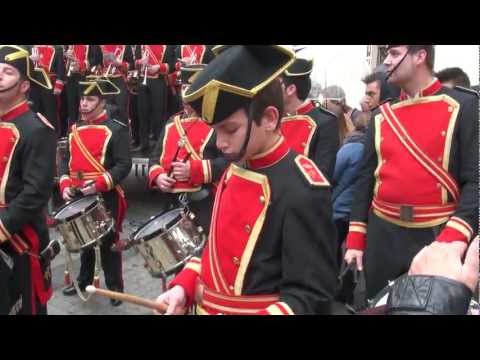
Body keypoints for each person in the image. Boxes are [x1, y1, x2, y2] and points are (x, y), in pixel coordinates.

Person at [155, 45, 338, 315]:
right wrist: (183, 286)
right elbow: (215, 249)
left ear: (269, 118)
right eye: (216, 131)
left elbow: (311, 295)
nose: (221, 143)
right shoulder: (235, 166)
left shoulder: (303, 188)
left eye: (230, 130)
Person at [344, 45, 479, 300]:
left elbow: (475, 180)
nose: (387, 63)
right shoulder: (380, 116)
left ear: (420, 56)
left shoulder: (464, 106)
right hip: (382, 236)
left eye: (394, 54)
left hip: (436, 234)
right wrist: (355, 238)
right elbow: (364, 181)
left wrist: (455, 237)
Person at [59, 77, 132, 306]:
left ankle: (114, 288)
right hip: (79, 193)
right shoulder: (74, 130)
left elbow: (123, 164)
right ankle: (83, 280)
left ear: (102, 102)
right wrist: (64, 184)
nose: (83, 104)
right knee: (84, 242)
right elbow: (65, 162)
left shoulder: (116, 130)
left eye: (90, 99)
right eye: (82, 99)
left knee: (109, 242)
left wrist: (100, 183)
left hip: (105, 193)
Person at [0, 45, 57, 315]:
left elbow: (35, 192)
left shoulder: (35, 129)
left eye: (7, 72)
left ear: (24, 86)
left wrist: (2, 226)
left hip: (18, 237)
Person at [148, 63, 229, 232]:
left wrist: (194, 170)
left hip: (204, 202)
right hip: (171, 202)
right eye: (184, 87)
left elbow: (230, 161)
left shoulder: (219, 123)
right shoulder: (172, 122)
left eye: (193, 88)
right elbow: (155, 158)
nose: (186, 94)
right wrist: (158, 176)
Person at [280, 57, 339, 181]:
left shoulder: (325, 122)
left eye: (276, 84)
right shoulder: (273, 120)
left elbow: (321, 177)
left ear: (290, 89)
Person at [134, 45, 175, 156]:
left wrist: (158, 67)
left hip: (159, 81)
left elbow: (172, 65)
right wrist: (140, 62)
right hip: (143, 80)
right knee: (142, 113)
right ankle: (144, 144)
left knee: (159, 115)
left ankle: (159, 145)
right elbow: (135, 62)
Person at [28, 45, 66, 134]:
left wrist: (58, 85)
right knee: (34, 111)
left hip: (50, 85)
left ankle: (53, 136)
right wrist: (30, 61)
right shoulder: (29, 47)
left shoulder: (57, 48)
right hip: (33, 85)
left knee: (51, 112)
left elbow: (61, 69)